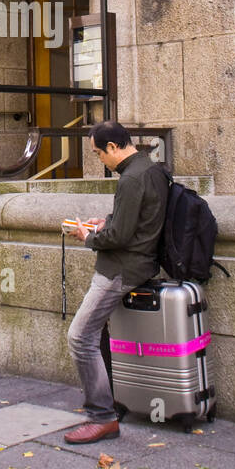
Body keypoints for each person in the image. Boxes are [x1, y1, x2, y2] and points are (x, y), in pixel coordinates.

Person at [64, 121, 169, 444]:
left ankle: (102, 417)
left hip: (119, 270)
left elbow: (120, 237)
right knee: (98, 335)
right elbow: (136, 222)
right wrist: (105, 221)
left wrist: (88, 234)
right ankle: (111, 405)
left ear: (112, 147)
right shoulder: (149, 169)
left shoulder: (131, 178)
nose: (99, 160)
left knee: (80, 337)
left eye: (98, 153)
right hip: (137, 265)